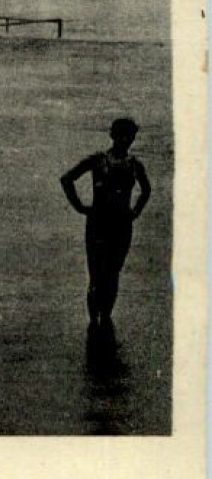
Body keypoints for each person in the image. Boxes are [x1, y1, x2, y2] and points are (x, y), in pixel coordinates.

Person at [60, 118, 151, 330]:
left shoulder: (135, 165)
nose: (125, 140)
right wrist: (80, 207)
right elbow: (67, 179)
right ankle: (94, 323)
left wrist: (135, 211)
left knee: (113, 273)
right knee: (96, 275)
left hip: (121, 226)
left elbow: (146, 191)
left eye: (130, 136)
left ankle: (106, 320)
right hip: (98, 224)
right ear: (112, 135)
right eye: (121, 135)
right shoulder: (97, 161)